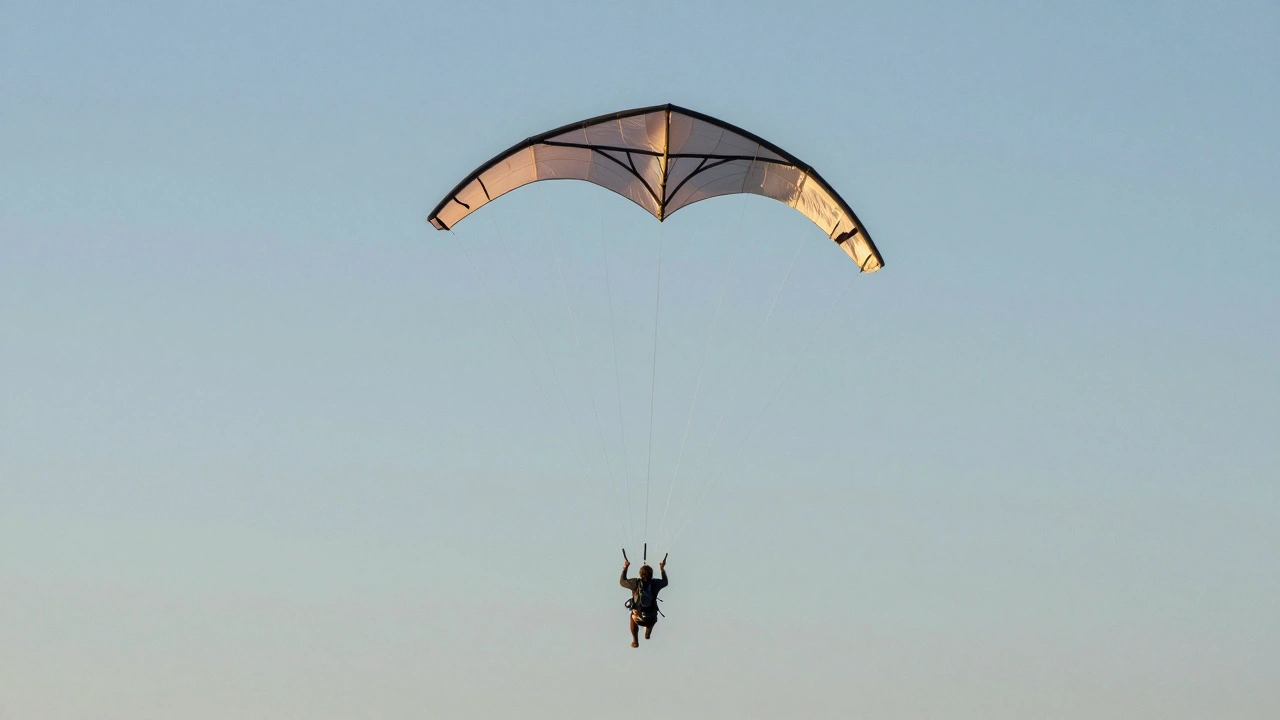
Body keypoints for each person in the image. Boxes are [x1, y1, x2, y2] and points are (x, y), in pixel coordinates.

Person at [620, 554, 668, 648]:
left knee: (632, 615)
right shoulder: (655, 583)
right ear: (652, 574)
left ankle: (635, 641)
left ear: (640, 574)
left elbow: (622, 582)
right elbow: (665, 582)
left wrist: (625, 568)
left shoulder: (635, 583)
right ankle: (648, 630)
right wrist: (662, 569)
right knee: (653, 617)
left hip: (639, 619)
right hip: (651, 618)